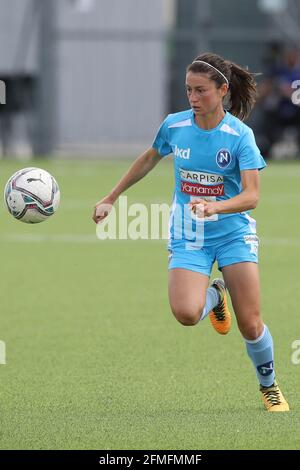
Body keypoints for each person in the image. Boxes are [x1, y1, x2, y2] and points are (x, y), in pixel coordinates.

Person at [93, 52, 289, 412]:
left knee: (250, 323)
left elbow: (252, 196)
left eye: (201, 91)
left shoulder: (240, 136)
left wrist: (215, 205)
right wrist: (112, 195)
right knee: (186, 313)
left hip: (233, 233)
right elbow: (150, 157)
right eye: (188, 90)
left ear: (223, 90)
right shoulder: (175, 125)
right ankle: (216, 296)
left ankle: (269, 385)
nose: (193, 98)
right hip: (189, 234)